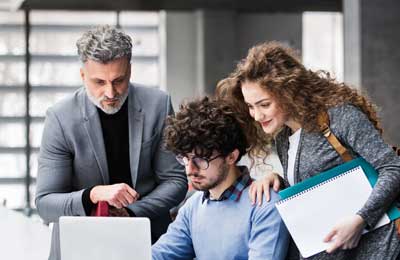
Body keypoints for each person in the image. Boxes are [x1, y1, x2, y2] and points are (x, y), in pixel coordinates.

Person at [216, 41, 400, 260]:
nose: (256, 115)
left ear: (288, 93)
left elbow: (392, 167)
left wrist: (361, 219)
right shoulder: (283, 138)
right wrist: (277, 180)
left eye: (264, 104)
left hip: (378, 249)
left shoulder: (338, 117)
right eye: (250, 106)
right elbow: (317, 186)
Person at [35, 25, 188, 260]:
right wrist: (93, 195)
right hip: (79, 247)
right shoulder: (60, 117)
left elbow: (175, 181)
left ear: (130, 70)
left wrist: (131, 212)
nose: (110, 92)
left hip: (149, 243)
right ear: (82, 76)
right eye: (99, 82)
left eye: (119, 80)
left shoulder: (158, 104)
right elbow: (46, 203)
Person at [152, 97, 289, 260]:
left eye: (201, 160)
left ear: (231, 157)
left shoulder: (265, 204)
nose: (189, 170)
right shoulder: (192, 207)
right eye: (184, 158)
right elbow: (158, 256)